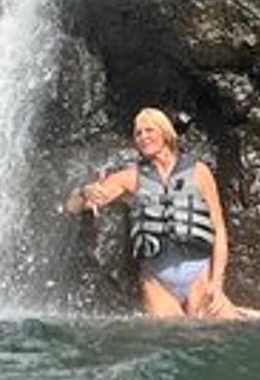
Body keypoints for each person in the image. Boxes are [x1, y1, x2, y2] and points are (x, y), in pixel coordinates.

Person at [63, 108, 236, 318]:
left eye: (149, 130)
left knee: (212, 328)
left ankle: (250, 313)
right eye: (138, 133)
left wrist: (217, 283)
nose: (143, 137)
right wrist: (84, 192)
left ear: (165, 132)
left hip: (198, 274)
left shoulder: (199, 172)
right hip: (156, 281)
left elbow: (219, 230)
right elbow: (72, 207)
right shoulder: (131, 177)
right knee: (171, 333)